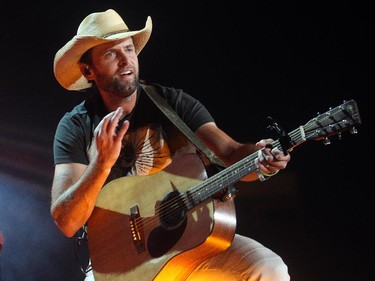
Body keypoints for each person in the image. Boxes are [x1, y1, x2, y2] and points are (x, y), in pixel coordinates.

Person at [50, 8, 291, 281]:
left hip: (190, 243)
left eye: (129, 49)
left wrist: (263, 159)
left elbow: (230, 154)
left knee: (269, 269)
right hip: (120, 260)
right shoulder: (75, 126)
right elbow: (67, 221)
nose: (125, 60)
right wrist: (102, 163)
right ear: (88, 70)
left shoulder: (173, 104)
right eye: (110, 54)